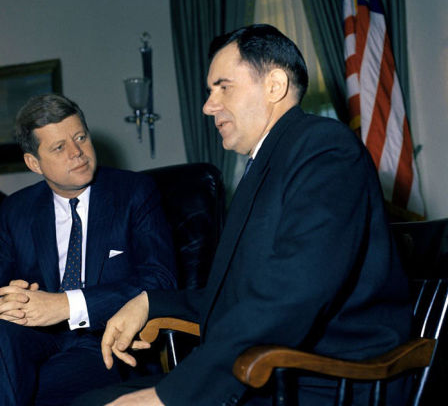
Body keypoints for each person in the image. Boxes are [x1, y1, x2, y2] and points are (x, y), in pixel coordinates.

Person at [76, 24, 413, 405]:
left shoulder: (325, 149)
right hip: (270, 371)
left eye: (223, 86)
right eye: (209, 91)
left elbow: (292, 295)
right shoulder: (269, 160)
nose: (208, 105)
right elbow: (238, 297)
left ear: (274, 85)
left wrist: (172, 396)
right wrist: (151, 302)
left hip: (320, 381)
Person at [0, 94, 177, 406]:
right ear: (34, 163)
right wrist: (11, 295)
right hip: (33, 339)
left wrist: (65, 305)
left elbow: (160, 281)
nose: (77, 153)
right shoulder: (16, 210)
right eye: (59, 147)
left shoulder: (134, 193)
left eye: (80, 137)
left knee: (28, 386)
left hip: (106, 341)